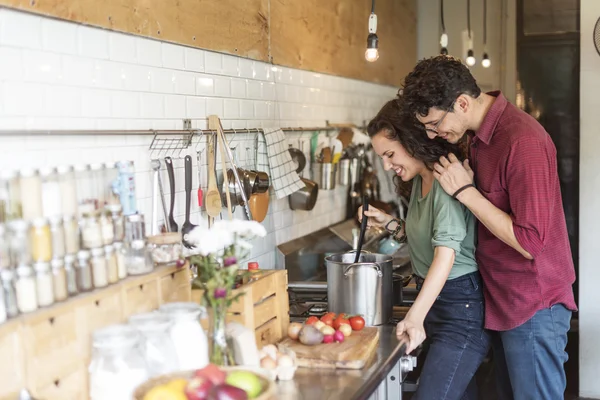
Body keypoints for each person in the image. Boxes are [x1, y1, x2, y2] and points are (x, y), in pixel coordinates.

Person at [401, 55, 577, 400]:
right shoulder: (478, 137)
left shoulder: (522, 141)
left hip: (533, 304)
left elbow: (530, 242)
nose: (433, 133)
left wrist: (465, 192)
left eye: (435, 123)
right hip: (500, 300)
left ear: (462, 103)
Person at [358, 99, 490, 400]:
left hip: (461, 310)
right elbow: (427, 239)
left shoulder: (445, 179)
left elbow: (446, 254)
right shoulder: (421, 179)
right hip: (438, 306)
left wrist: (415, 317)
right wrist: (390, 223)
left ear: (411, 141)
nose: (387, 165)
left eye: (390, 154)